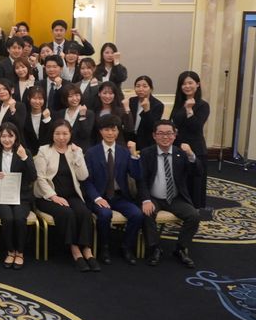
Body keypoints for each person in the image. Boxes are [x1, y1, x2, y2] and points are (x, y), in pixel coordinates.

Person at [33, 119, 98, 272]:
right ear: (52, 134)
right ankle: (75, 251)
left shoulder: (75, 150)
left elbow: (83, 176)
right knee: (67, 213)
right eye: (57, 133)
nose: (61, 137)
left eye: (65, 134)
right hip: (47, 197)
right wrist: (53, 196)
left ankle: (87, 250)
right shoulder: (44, 150)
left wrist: (77, 155)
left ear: (70, 134)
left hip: (71, 195)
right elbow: (40, 178)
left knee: (84, 213)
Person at [82, 115, 143, 266]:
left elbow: (136, 175)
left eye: (113, 130)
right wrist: (97, 198)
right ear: (100, 131)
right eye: (106, 130)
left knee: (137, 214)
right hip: (99, 196)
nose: (110, 133)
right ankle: (104, 247)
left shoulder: (124, 152)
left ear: (118, 131)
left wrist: (133, 155)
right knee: (105, 214)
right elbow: (86, 181)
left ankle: (126, 247)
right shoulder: (91, 153)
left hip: (119, 196)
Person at [138, 119, 200, 268]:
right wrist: (146, 200)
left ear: (175, 135)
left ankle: (181, 248)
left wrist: (191, 155)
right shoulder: (146, 153)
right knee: (147, 214)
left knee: (194, 215)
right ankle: (154, 248)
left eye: (169, 133)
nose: (165, 137)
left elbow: (197, 173)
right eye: (161, 133)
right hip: (154, 197)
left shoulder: (181, 154)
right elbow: (141, 180)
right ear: (154, 136)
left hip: (175, 198)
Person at [0, 122, 37, 270]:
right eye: (3, 136)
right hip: (1, 197)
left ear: (16, 137)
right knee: (8, 218)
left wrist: (24, 158)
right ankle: (10, 251)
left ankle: (20, 252)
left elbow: (33, 177)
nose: (7, 139)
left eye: (10, 136)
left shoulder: (24, 152)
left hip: (21, 196)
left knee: (19, 218)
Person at [170, 71, 209, 209]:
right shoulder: (179, 103)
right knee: (180, 180)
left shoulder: (203, 105)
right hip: (178, 146)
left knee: (194, 183)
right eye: (183, 84)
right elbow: (174, 123)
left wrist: (189, 110)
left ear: (197, 84)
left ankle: (194, 211)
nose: (187, 86)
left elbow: (196, 127)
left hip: (195, 148)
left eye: (190, 83)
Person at [129, 75, 164, 151]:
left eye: (145, 86)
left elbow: (153, 127)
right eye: (138, 86)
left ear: (151, 89)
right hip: (131, 140)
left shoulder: (158, 105)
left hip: (146, 142)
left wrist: (147, 110)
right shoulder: (131, 101)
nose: (141, 89)